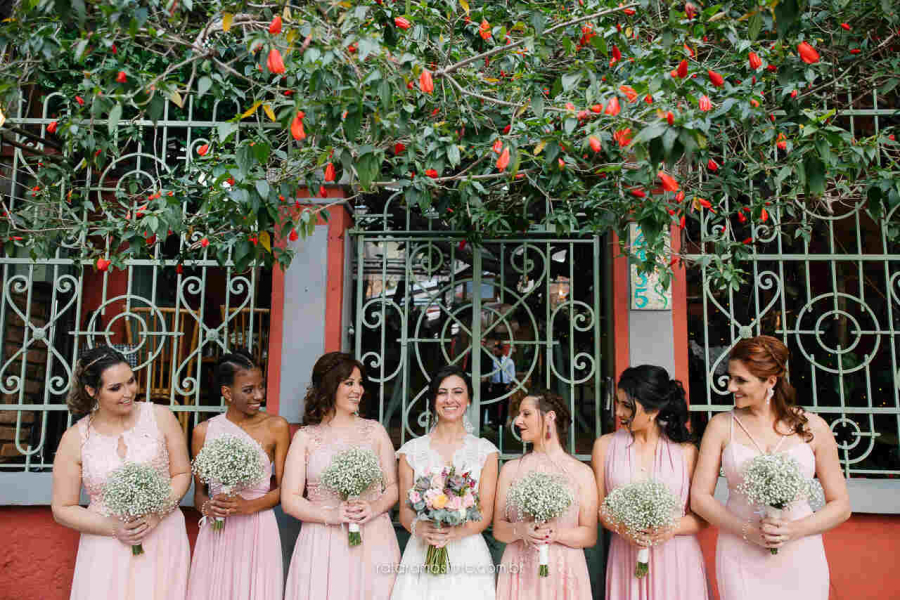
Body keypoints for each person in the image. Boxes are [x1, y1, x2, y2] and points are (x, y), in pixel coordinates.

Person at [691, 335, 851, 599]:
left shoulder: (813, 427)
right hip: (739, 551)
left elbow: (841, 505)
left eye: (741, 380)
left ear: (771, 381)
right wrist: (749, 532)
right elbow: (699, 498)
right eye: (730, 377)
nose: (731, 387)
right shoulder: (720, 426)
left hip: (800, 554)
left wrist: (794, 530)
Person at [51, 346, 191, 600]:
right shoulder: (75, 438)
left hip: (162, 535)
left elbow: (181, 473)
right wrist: (113, 527)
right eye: (115, 388)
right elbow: (63, 507)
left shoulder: (161, 417)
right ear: (92, 391)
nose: (128, 393)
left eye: (131, 382)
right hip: (106, 545)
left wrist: (157, 512)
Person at [282, 352, 400, 600]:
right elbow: (290, 499)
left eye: (360, 383)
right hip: (322, 540)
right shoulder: (305, 437)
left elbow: (392, 488)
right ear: (329, 386)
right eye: (349, 383)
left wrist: (374, 507)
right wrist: (332, 515)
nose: (358, 389)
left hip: (373, 537)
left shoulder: (375, 431)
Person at [592, 365, 709, 600]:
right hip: (626, 554)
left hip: (676, 558)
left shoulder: (685, 452)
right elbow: (601, 508)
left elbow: (702, 517)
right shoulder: (604, 446)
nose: (618, 412)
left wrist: (668, 529)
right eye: (618, 402)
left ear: (653, 410)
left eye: (627, 405)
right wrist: (622, 528)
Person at [187, 350, 290, 600]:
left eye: (261, 387)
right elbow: (198, 495)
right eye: (248, 390)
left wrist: (249, 506)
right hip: (217, 530)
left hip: (258, 528)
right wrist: (209, 508)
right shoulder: (203, 432)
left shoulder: (276, 427)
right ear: (227, 392)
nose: (259, 396)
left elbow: (286, 490)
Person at [392, 365, 499, 600]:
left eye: (458, 392)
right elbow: (405, 511)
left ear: (468, 399)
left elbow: (485, 512)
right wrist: (420, 528)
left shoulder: (485, 452)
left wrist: (454, 534)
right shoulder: (411, 451)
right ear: (433, 400)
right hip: (422, 549)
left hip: (468, 551)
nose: (449, 399)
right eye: (442, 392)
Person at [494, 390, 597, 600]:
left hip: (566, 570)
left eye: (526, 414)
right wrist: (521, 529)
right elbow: (498, 529)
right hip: (519, 570)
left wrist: (556, 534)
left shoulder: (581, 472)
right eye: (518, 415)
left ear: (549, 417)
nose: (518, 421)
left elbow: (589, 535)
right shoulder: (511, 469)